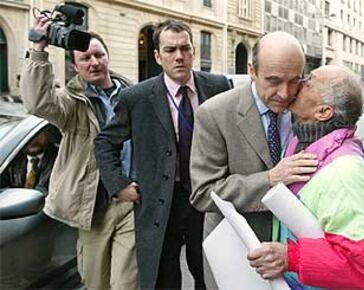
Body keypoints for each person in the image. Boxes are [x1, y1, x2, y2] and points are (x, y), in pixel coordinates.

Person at [95, 19, 231, 290]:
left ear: (194, 51)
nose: (179, 56)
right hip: (159, 203)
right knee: (164, 279)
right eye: (170, 50)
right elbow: (104, 143)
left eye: (185, 48)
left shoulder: (218, 87)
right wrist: (118, 184)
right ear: (157, 56)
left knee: (212, 274)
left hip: (207, 199)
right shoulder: (137, 97)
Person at [189, 31, 318, 288]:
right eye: (273, 81)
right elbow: (203, 193)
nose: (285, 93)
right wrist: (270, 179)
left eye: (295, 81)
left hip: (294, 253)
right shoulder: (214, 114)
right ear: (251, 70)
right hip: (238, 254)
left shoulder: (307, 110)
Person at [247, 65, 364, 289]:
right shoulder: (300, 142)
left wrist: (291, 258)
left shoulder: (345, 172)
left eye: (309, 83)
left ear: (324, 112)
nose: (299, 83)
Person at [20, 16, 138, 290]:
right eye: (85, 58)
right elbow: (37, 102)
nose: (94, 62)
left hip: (132, 201)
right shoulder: (71, 104)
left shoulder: (134, 95)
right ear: (76, 67)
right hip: (93, 208)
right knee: (96, 282)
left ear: (108, 57)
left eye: (99, 55)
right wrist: (39, 49)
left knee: (127, 284)